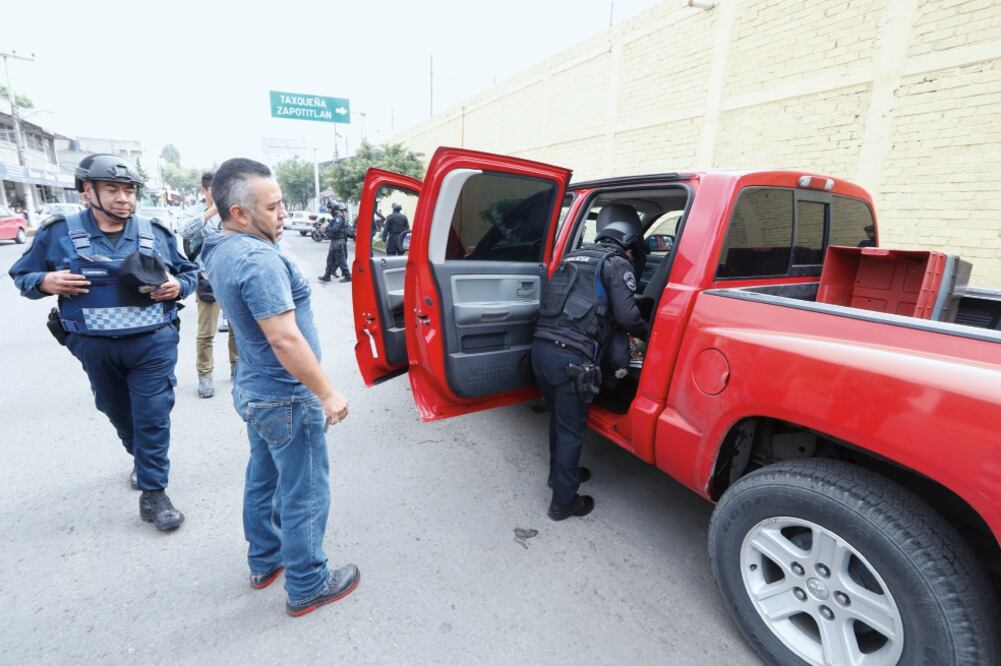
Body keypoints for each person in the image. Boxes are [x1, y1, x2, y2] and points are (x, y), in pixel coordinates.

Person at [202, 158, 359, 617]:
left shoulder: (220, 247)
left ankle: (264, 560)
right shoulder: (258, 259)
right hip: (285, 396)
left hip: (254, 388)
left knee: (263, 477)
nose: (284, 213)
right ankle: (308, 582)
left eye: (282, 204)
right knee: (304, 490)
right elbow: (284, 337)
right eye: (273, 207)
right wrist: (328, 393)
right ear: (240, 213)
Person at [8, 153, 197, 531]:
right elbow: (22, 276)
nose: (123, 198)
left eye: (129, 190)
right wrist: (44, 283)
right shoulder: (58, 233)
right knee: (115, 409)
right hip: (92, 345)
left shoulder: (155, 232)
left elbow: (189, 273)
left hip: (152, 343)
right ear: (86, 192)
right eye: (112, 189)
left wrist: (179, 285)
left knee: (152, 415)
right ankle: (139, 457)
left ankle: (154, 493)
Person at [530, 217, 648, 521]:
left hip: (541, 350)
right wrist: (649, 331)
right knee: (571, 431)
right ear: (629, 245)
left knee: (559, 421)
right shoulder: (616, 263)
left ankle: (559, 477)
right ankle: (564, 503)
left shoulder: (574, 257)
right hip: (572, 360)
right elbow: (628, 316)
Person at [178, 171, 238, 398]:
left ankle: (237, 369)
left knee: (237, 330)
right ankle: (205, 376)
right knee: (206, 333)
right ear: (204, 190)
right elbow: (184, 231)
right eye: (216, 188)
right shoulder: (195, 213)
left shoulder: (234, 210)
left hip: (233, 279)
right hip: (207, 280)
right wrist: (214, 210)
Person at [318, 202, 351, 283]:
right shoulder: (336, 217)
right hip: (335, 242)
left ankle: (348, 276)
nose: (328, 210)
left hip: (338, 242)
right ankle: (327, 276)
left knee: (341, 260)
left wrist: (326, 227)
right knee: (330, 260)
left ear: (333, 209)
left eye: (329, 208)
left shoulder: (338, 218)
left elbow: (335, 229)